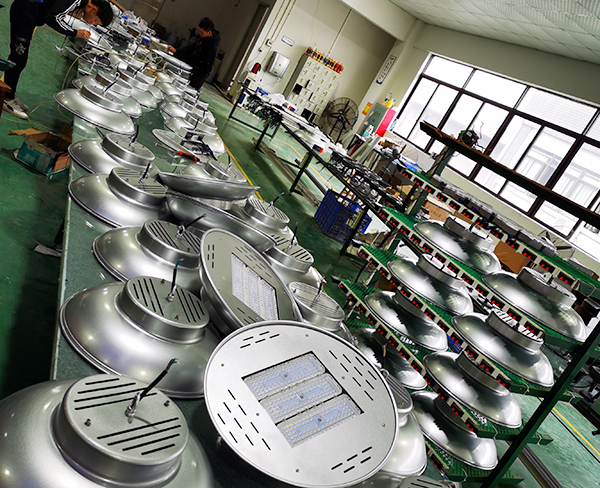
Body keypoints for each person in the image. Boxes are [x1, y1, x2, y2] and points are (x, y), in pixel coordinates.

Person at [3, 0, 114, 119]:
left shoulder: (79, 2)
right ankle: (6, 99)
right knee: (18, 59)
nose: (92, 23)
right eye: (95, 21)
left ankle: (9, 94)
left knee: (20, 59)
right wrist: (75, 32)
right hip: (24, 13)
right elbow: (52, 18)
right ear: (93, 9)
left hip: (29, 15)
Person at [167, 17, 220, 91]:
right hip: (190, 70)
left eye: (201, 32)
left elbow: (207, 69)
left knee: (188, 91)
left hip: (197, 77)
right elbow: (190, 48)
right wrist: (176, 51)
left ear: (209, 32)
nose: (199, 34)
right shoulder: (202, 39)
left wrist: (193, 72)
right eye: (199, 31)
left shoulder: (212, 48)